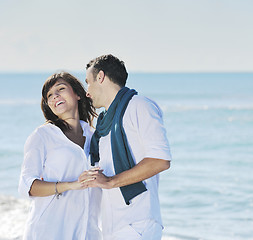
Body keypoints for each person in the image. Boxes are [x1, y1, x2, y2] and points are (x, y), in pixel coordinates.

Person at [80, 54, 172, 240]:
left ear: (101, 77)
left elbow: (160, 160)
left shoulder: (139, 106)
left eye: (88, 82)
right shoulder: (104, 124)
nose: (87, 92)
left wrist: (111, 181)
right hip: (113, 226)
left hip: (138, 223)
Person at [18, 72, 101, 240]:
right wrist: (70, 185)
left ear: (78, 94)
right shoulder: (43, 135)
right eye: (49, 95)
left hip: (87, 232)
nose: (54, 96)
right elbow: (27, 186)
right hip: (49, 231)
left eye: (61, 89)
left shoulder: (96, 137)